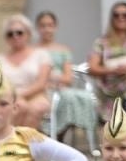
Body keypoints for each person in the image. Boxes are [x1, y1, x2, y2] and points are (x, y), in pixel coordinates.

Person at [35, 10, 98, 144]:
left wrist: (52, 78)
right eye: (43, 25)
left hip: (60, 90)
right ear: (38, 28)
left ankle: (59, 138)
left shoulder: (63, 50)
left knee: (73, 98)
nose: (47, 29)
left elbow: (68, 78)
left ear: (55, 27)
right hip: (39, 90)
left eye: (50, 25)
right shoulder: (32, 50)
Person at [0, 14, 53, 131]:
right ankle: (9, 142)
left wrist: (20, 95)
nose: (15, 36)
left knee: (35, 108)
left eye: (19, 32)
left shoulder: (41, 55)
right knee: (19, 106)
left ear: (28, 34)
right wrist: (8, 96)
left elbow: (41, 83)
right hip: (5, 97)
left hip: (36, 95)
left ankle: (23, 145)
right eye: (10, 34)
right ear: (6, 38)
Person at [89, 2, 126, 115]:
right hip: (108, 95)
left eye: (125, 15)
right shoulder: (102, 42)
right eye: (116, 15)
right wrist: (113, 70)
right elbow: (92, 68)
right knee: (111, 130)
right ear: (112, 18)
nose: (121, 18)